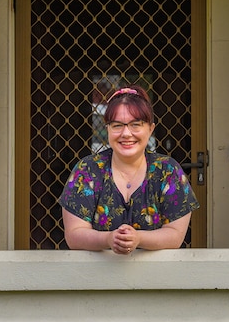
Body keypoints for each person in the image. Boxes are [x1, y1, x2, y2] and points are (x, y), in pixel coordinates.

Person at [59, 85, 199, 254]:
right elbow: (74, 235)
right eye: (117, 125)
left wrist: (138, 238)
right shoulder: (87, 170)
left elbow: (175, 235)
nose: (126, 133)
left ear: (150, 129)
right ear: (108, 129)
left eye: (135, 124)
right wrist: (109, 239)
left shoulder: (168, 171)